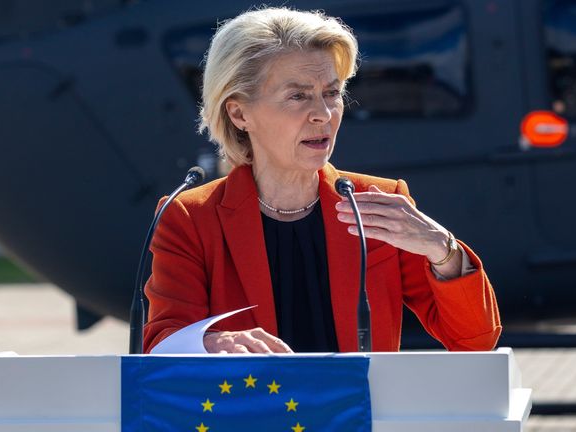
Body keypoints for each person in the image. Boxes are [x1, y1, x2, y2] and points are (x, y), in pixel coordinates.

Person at [143, 7, 501, 354]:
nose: (323, 115)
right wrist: (209, 342)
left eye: (331, 93)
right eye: (298, 96)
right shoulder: (189, 217)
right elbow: (163, 341)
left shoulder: (378, 200)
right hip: (247, 413)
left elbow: (474, 340)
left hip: (359, 414)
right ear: (239, 113)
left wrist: (444, 251)